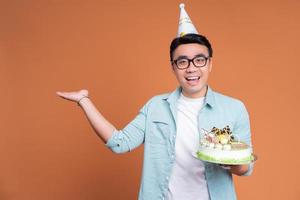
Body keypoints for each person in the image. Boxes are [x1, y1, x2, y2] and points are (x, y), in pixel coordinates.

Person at [56, 4, 254, 200]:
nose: (191, 68)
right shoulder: (156, 107)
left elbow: (245, 168)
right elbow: (119, 143)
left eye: (199, 60)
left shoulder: (234, 108)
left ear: (210, 63)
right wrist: (84, 100)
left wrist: (228, 158)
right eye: (182, 61)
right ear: (173, 67)